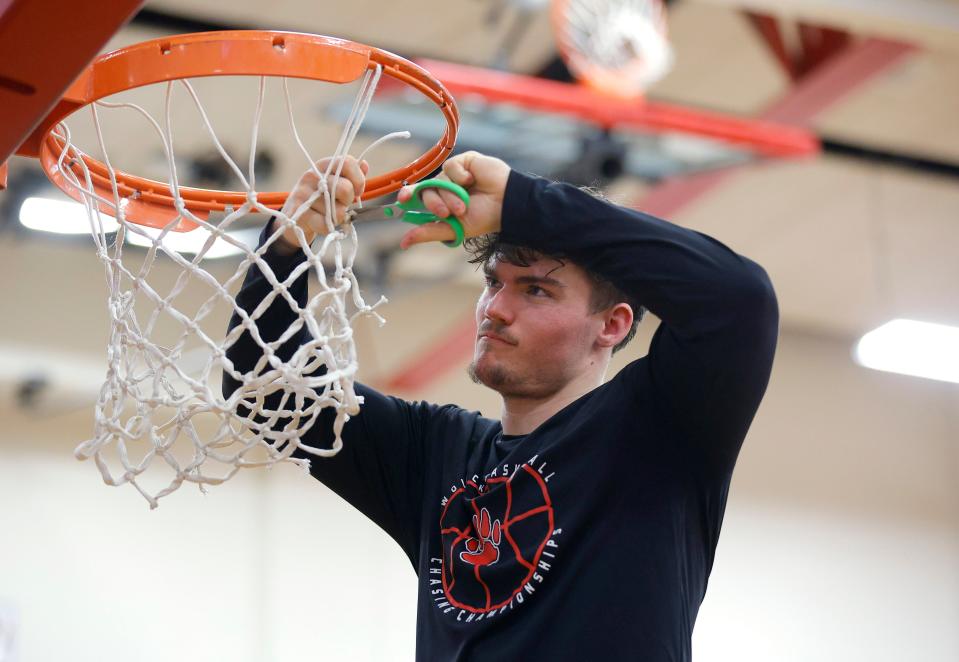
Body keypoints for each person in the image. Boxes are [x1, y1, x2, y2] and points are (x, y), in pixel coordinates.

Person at [224, 151, 779, 660]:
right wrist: (286, 247)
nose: (495, 309)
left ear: (611, 325)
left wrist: (523, 203)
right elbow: (264, 386)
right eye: (494, 282)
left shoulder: (659, 426)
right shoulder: (436, 453)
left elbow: (739, 299)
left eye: (536, 290)